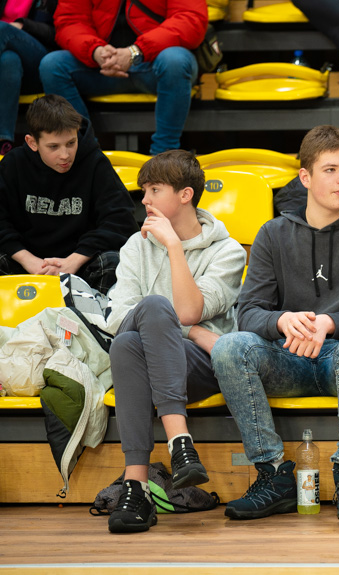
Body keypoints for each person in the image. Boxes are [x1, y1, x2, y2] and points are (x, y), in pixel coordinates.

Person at [211, 125, 339, 522]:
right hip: (289, 358)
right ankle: (272, 475)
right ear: (306, 177)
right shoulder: (273, 233)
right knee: (229, 345)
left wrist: (328, 323)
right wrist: (284, 320)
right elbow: (249, 312)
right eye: (330, 169)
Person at [104, 149, 246, 533]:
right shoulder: (136, 246)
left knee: (144, 323)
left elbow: (187, 312)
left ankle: (137, 487)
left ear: (185, 195)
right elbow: (118, 319)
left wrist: (174, 248)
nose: (144, 200)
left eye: (153, 190)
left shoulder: (228, 252)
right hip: (160, 358)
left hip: (200, 367)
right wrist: (189, 330)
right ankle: (173, 450)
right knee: (128, 341)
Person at [0, 94, 137, 294]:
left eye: (71, 143)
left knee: (114, 263)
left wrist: (75, 260)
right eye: (53, 147)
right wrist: (27, 259)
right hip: (26, 262)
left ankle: (98, 324)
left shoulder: (95, 163)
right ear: (32, 143)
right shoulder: (13, 164)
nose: (65, 155)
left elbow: (121, 221)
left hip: (80, 265)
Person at [39, 0, 206, 154]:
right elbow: (70, 21)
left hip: (156, 63)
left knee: (175, 61)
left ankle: (164, 157)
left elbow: (191, 19)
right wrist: (95, 51)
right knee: (52, 65)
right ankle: (87, 155)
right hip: (102, 66)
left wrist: (136, 52)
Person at [0, 0, 57, 155]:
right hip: (6, 66)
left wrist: (24, 26)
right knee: (9, 60)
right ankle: (3, 143)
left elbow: (59, 33)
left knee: (2, 29)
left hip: (42, 61)